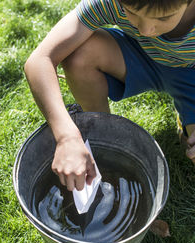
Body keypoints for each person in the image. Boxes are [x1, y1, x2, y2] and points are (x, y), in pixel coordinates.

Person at [24, 0, 195, 192]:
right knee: (78, 55)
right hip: (141, 55)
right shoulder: (113, 2)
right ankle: (101, 132)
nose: (146, 29)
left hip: (190, 74)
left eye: (163, 18)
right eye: (131, 12)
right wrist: (67, 136)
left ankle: (186, 120)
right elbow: (40, 60)